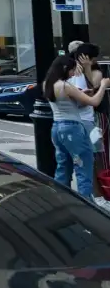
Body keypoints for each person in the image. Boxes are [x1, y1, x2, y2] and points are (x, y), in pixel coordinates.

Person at [45, 53, 110, 200]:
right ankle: (86, 203)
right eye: (72, 70)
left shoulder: (47, 84)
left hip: (57, 127)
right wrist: (103, 86)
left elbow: (66, 101)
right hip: (73, 128)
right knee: (83, 168)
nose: (74, 73)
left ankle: (60, 199)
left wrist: (80, 94)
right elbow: (94, 102)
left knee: (63, 167)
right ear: (64, 68)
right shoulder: (66, 86)